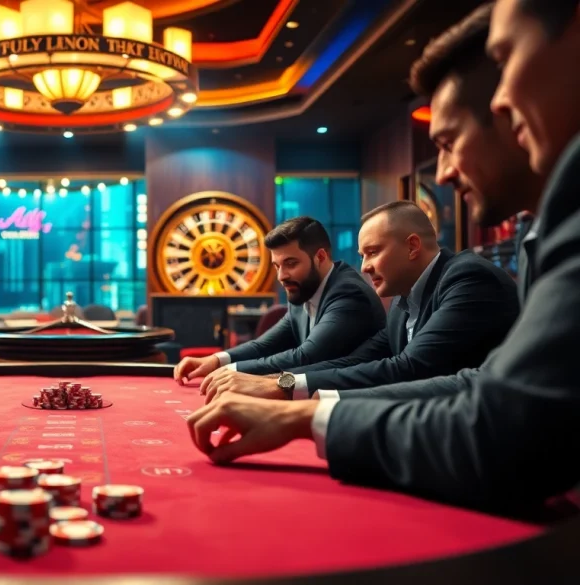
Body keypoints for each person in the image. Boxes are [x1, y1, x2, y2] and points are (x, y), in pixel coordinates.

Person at [186, 0, 580, 511]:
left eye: (507, 57)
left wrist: (297, 407)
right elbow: (463, 379)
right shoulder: (525, 241)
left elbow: (494, 422)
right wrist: (280, 392)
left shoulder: (467, 279)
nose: (502, 100)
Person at [320, 2, 545, 402]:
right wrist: (284, 389)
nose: (441, 173)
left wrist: (307, 409)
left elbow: (419, 374)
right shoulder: (405, 302)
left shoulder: (468, 277)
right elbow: (496, 386)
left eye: (447, 143)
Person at [201, 200, 519, 402]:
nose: (364, 266)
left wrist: (282, 386)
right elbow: (357, 361)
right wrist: (276, 380)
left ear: (411, 247)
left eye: (373, 252)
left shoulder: (469, 279)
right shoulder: (403, 299)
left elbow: (410, 369)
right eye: (362, 255)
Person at [173, 217, 385, 384]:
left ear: (320, 257)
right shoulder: (304, 288)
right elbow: (264, 346)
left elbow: (306, 357)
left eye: (291, 263)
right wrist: (216, 360)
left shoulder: (348, 292)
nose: (281, 276)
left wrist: (230, 371)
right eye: (277, 266)